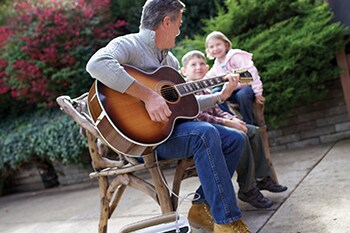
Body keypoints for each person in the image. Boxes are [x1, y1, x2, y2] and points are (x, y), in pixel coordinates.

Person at [86, 0, 251, 232]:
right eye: (179, 24)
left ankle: (201, 206)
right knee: (205, 133)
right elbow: (97, 64)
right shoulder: (129, 44)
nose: (179, 30)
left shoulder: (170, 61)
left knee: (236, 139)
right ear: (166, 22)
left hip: (169, 132)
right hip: (144, 140)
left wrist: (221, 95)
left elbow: (186, 105)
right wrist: (147, 96)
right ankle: (227, 222)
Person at [181, 50, 287, 209]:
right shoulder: (185, 90)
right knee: (240, 136)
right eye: (193, 64)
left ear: (208, 67)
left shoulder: (206, 88)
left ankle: (262, 178)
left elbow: (217, 110)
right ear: (184, 71)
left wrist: (233, 118)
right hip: (206, 130)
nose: (199, 67)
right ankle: (248, 189)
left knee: (252, 130)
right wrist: (227, 123)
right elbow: (199, 117)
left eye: (202, 64)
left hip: (217, 124)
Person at [205, 31, 265, 125]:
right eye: (211, 47)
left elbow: (251, 72)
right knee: (216, 92)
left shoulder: (235, 56)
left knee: (242, 95)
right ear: (208, 50)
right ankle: (231, 120)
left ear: (226, 44)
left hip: (245, 89)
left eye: (218, 45)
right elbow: (207, 78)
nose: (215, 48)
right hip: (231, 92)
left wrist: (258, 93)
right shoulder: (217, 65)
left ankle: (249, 123)